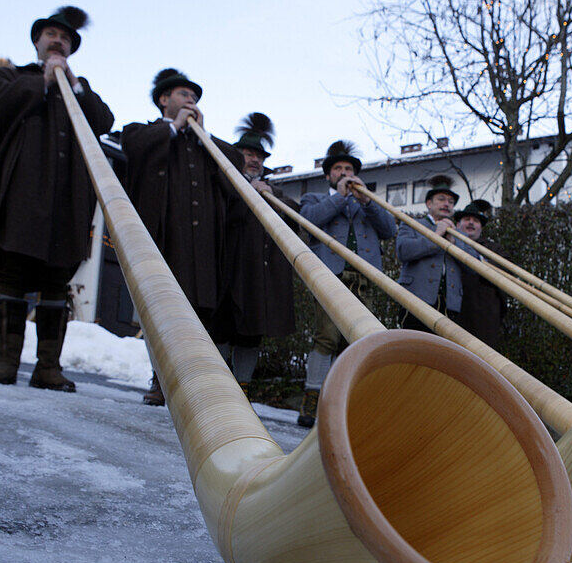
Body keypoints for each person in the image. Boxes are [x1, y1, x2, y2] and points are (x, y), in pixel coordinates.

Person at [0, 6, 114, 392]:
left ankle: (48, 368)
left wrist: (71, 82)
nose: (59, 42)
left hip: (67, 202)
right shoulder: (12, 77)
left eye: (66, 38)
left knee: (57, 283)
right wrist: (44, 79)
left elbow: (103, 122)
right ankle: (5, 361)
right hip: (23, 195)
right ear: (38, 42)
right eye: (52, 35)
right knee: (12, 276)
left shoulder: (77, 88)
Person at [121, 68, 246, 406]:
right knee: (166, 313)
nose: (191, 100)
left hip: (204, 246)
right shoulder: (143, 133)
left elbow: (235, 169)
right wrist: (173, 129)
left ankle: (191, 384)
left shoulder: (208, 145)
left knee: (200, 317)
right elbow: (132, 147)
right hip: (167, 239)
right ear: (164, 100)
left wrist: (203, 135)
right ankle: (162, 381)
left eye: (194, 97)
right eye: (183, 95)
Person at [297, 140, 396, 427]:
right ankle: (312, 398)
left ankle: (345, 402)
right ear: (328, 175)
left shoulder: (367, 202)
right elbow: (309, 222)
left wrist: (366, 201)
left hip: (362, 277)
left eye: (349, 168)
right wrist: (339, 197)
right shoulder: (315, 198)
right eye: (338, 169)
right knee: (326, 336)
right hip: (330, 275)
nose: (344, 172)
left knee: (357, 340)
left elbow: (389, 230)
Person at [209, 113, 296, 395]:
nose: (255, 159)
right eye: (248, 153)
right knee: (220, 328)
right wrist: (248, 192)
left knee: (250, 335)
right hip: (226, 268)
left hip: (258, 276)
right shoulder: (223, 180)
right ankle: (218, 386)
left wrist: (270, 195)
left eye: (259, 155)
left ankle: (242, 387)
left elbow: (294, 216)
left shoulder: (274, 190)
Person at [395, 175, 469, 330]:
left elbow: (472, 266)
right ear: (429, 203)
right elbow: (403, 251)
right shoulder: (413, 224)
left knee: (442, 351)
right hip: (416, 299)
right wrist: (436, 237)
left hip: (449, 304)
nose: (446, 204)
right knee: (413, 347)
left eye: (450, 202)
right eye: (441, 199)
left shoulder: (460, 234)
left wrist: (453, 243)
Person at [454, 200, 508, 351]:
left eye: (476, 221)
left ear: (481, 228)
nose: (471, 223)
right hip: (456, 315)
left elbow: (504, 269)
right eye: (467, 219)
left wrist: (480, 262)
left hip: (485, 318)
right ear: (458, 225)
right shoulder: (448, 243)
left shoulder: (493, 249)